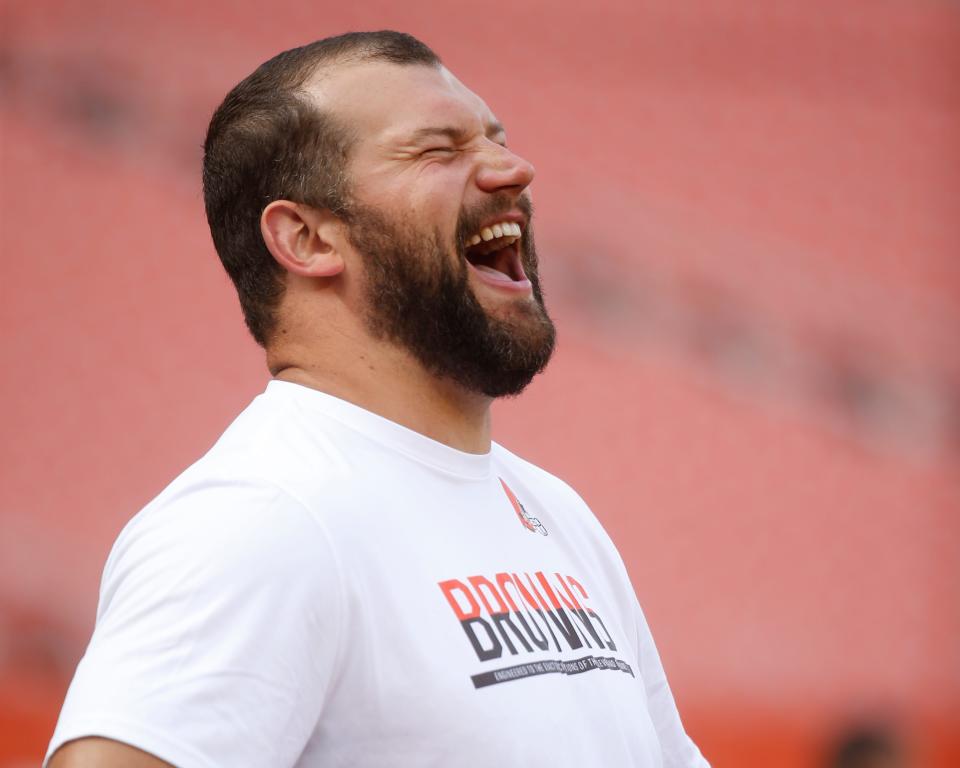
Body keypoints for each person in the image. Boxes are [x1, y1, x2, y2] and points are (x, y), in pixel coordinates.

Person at [46, 31, 709, 768]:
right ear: (306, 237)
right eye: (438, 150)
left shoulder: (556, 516)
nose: (513, 169)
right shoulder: (260, 518)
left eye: (496, 139)